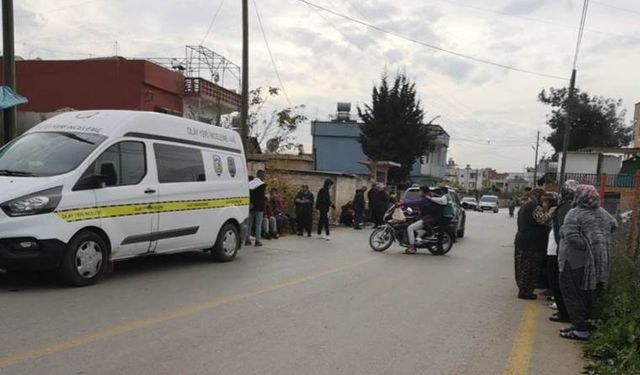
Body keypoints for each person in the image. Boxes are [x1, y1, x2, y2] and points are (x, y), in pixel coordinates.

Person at [558, 184, 617, 341]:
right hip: (599, 261)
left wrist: (587, 244)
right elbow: (614, 224)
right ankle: (583, 325)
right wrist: (599, 241)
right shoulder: (603, 213)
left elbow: (571, 237)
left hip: (576, 260)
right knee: (591, 294)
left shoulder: (574, 213)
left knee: (573, 292)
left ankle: (580, 329)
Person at [514, 188, 555, 299]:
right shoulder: (534, 207)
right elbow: (543, 220)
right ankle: (526, 292)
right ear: (538, 196)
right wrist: (551, 211)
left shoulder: (525, 205)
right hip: (532, 243)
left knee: (521, 266)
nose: (544, 200)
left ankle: (523, 289)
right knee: (530, 267)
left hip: (522, 240)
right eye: (543, 197)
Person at [547, 182, 577, 324]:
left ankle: (564, 313)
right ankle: (564, 311)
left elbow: (562, 230)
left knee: (560, 282)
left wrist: (561, 246)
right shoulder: (571, 207)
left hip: (561, 251)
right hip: (565, 250)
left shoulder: (566, 207)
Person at [403, 186, 447, 254]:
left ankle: (412, 248)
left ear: (423, 192)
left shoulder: (427, 198)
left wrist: (404, 203)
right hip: (426, 217)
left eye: (420, 191)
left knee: (410, 228)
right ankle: (416, 240)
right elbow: (421, 207)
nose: (419, 192)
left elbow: (416, 203)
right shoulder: (428, 197)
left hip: (428, 218)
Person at [245, 170, 267, 247]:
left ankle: (247, 240)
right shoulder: (262, 185)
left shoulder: (250, 184)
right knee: (258, 224)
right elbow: (261, 197)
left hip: (250, 206)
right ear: (260, 175)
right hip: (259, 207)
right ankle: (257, 241)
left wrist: (251, 203)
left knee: (249, 224)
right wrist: (266, 198)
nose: (265, 177)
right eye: (264, 175)